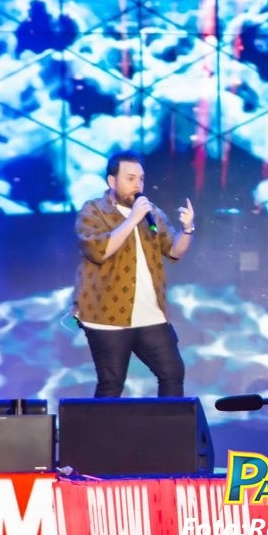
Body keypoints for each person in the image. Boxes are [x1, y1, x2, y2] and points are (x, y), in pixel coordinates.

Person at [73, 150, 196, 397]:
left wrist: (188, 229)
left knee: (172, 373)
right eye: (130, 179)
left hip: (150, 313)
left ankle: (168, 424)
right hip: (105, 315)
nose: (137, 185)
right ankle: (102, 425)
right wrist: (132, 219)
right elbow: (98, 251)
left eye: (141, 179)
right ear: (112, 181)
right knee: (112, 384)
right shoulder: (93, 210)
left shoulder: (152, 213)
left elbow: (174, 250)